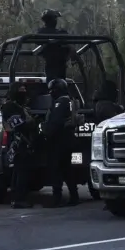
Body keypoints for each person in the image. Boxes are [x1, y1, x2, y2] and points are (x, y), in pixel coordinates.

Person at [41, 78, 79, 207]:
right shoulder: (70, 101)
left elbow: (55, 123)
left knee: (56, 169)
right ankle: (74, 196)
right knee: (67, 170)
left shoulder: (60, 103)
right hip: (68, 139)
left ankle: (57, 198)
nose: (51, 93)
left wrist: (45, 132)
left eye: (52, 90)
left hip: (59, 140)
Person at [0, 82, 36, 208]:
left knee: (19, 170)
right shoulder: (9, 107)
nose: (23, 92)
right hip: (17, 142)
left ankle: (16, 197)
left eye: (24, 90)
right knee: (21, 171)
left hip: (21, 142)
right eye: (21, 90)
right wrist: (31, 122)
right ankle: (18, 199)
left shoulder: (20, 106)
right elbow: (18, 124)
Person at [36, 9, 81, 81]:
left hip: (57, 63)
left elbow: (70, 45)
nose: (56, 20)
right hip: (54, 63)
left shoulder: (43, 32)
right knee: (55, 83)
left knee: (57, 82)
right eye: (55, 18)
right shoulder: (45, 33)